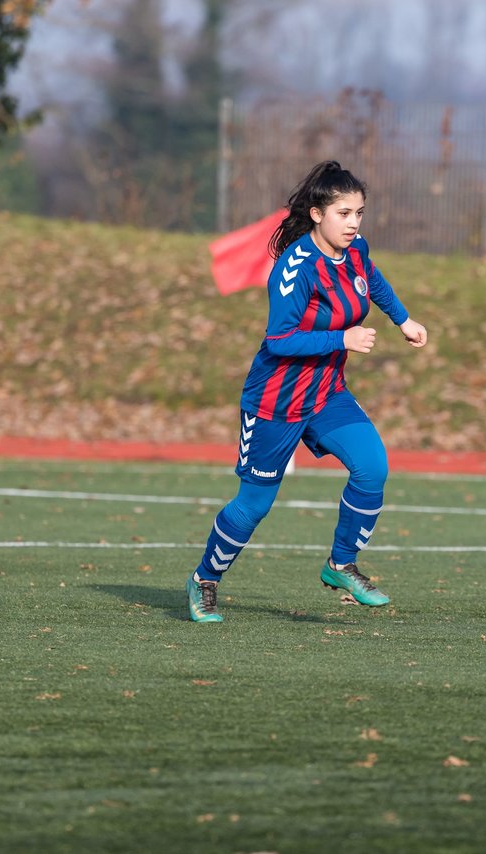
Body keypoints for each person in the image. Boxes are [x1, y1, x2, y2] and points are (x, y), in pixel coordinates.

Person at [185, 160, 428, 622]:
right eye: (344, 213)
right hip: (276, 400)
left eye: (359, 212)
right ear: (317, 214)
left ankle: (340, 563)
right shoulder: (295, 270)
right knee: (254, 505)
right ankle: (204, 581)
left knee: (372, 467)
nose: (354, 223)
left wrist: (403, 318)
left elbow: (372, 279)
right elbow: (280, 340)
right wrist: (344, 338)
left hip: (327, 393)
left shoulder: (355, 251)